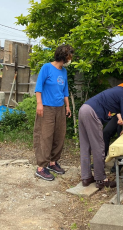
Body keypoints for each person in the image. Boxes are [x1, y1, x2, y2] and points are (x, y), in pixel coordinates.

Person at [78, 77, 123, 189]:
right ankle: (101, 179)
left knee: (85, 146)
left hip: (84, 109)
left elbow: (121, 112)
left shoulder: (121, 90)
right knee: (99, 147)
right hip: (92, 113)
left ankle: (86, 178)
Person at [33, 44, 74, 181]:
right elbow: (38, 87)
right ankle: (41, 167)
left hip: (60, 108)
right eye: (70, 56)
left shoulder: (64, 72)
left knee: (59, 135)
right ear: (64, 56)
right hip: (47, 107)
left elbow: (65, 91)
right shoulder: (46, 68)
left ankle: (52, 162)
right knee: (45, 136)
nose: (71, 59)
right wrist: (39, 104)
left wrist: (67, 106)